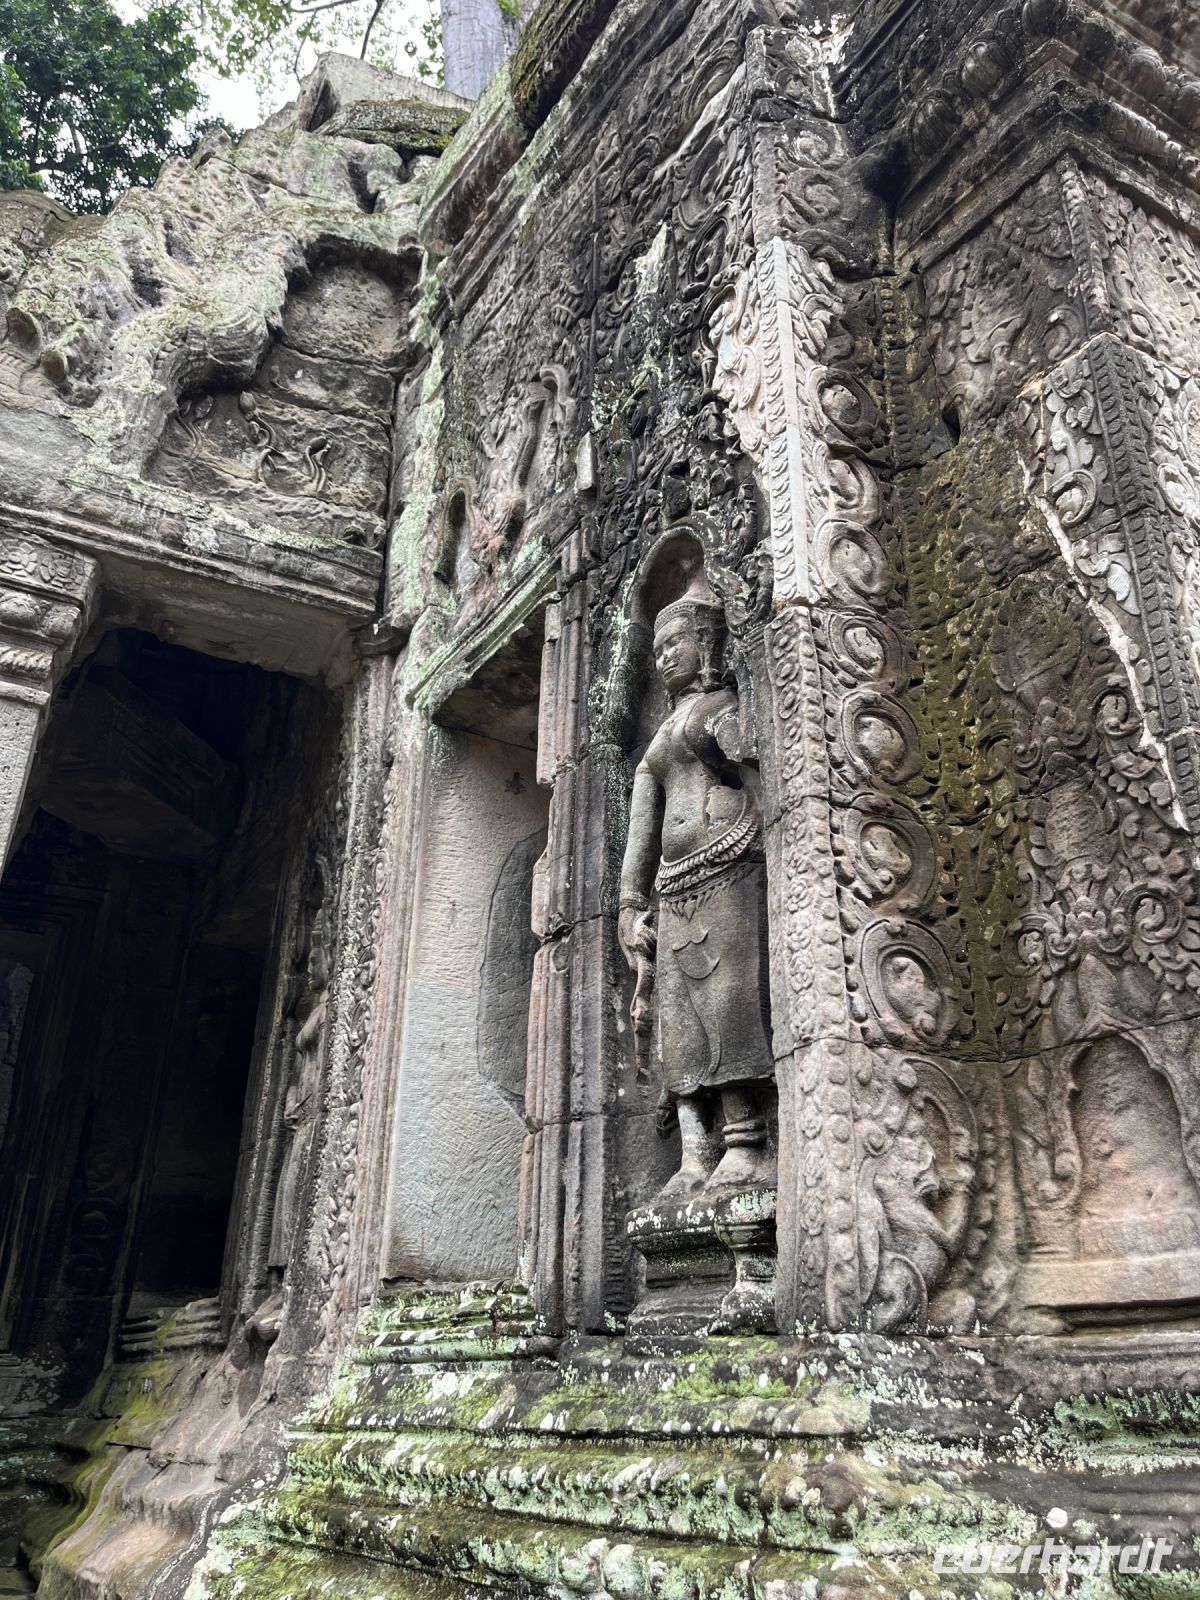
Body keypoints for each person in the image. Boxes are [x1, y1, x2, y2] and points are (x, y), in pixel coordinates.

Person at [618, 570, 775, 1199]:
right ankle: (694, 1152)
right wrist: (629, 903)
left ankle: (745, 1142)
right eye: (656, 650)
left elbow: (759, 781)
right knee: (674, 1017)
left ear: (707, 647)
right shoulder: (656, 742)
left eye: (674, 645)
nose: (662, 659)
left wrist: (762, 827)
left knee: (729, 1003)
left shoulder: (721, 710)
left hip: (729, 867)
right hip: (673, 884)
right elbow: (639, 835)